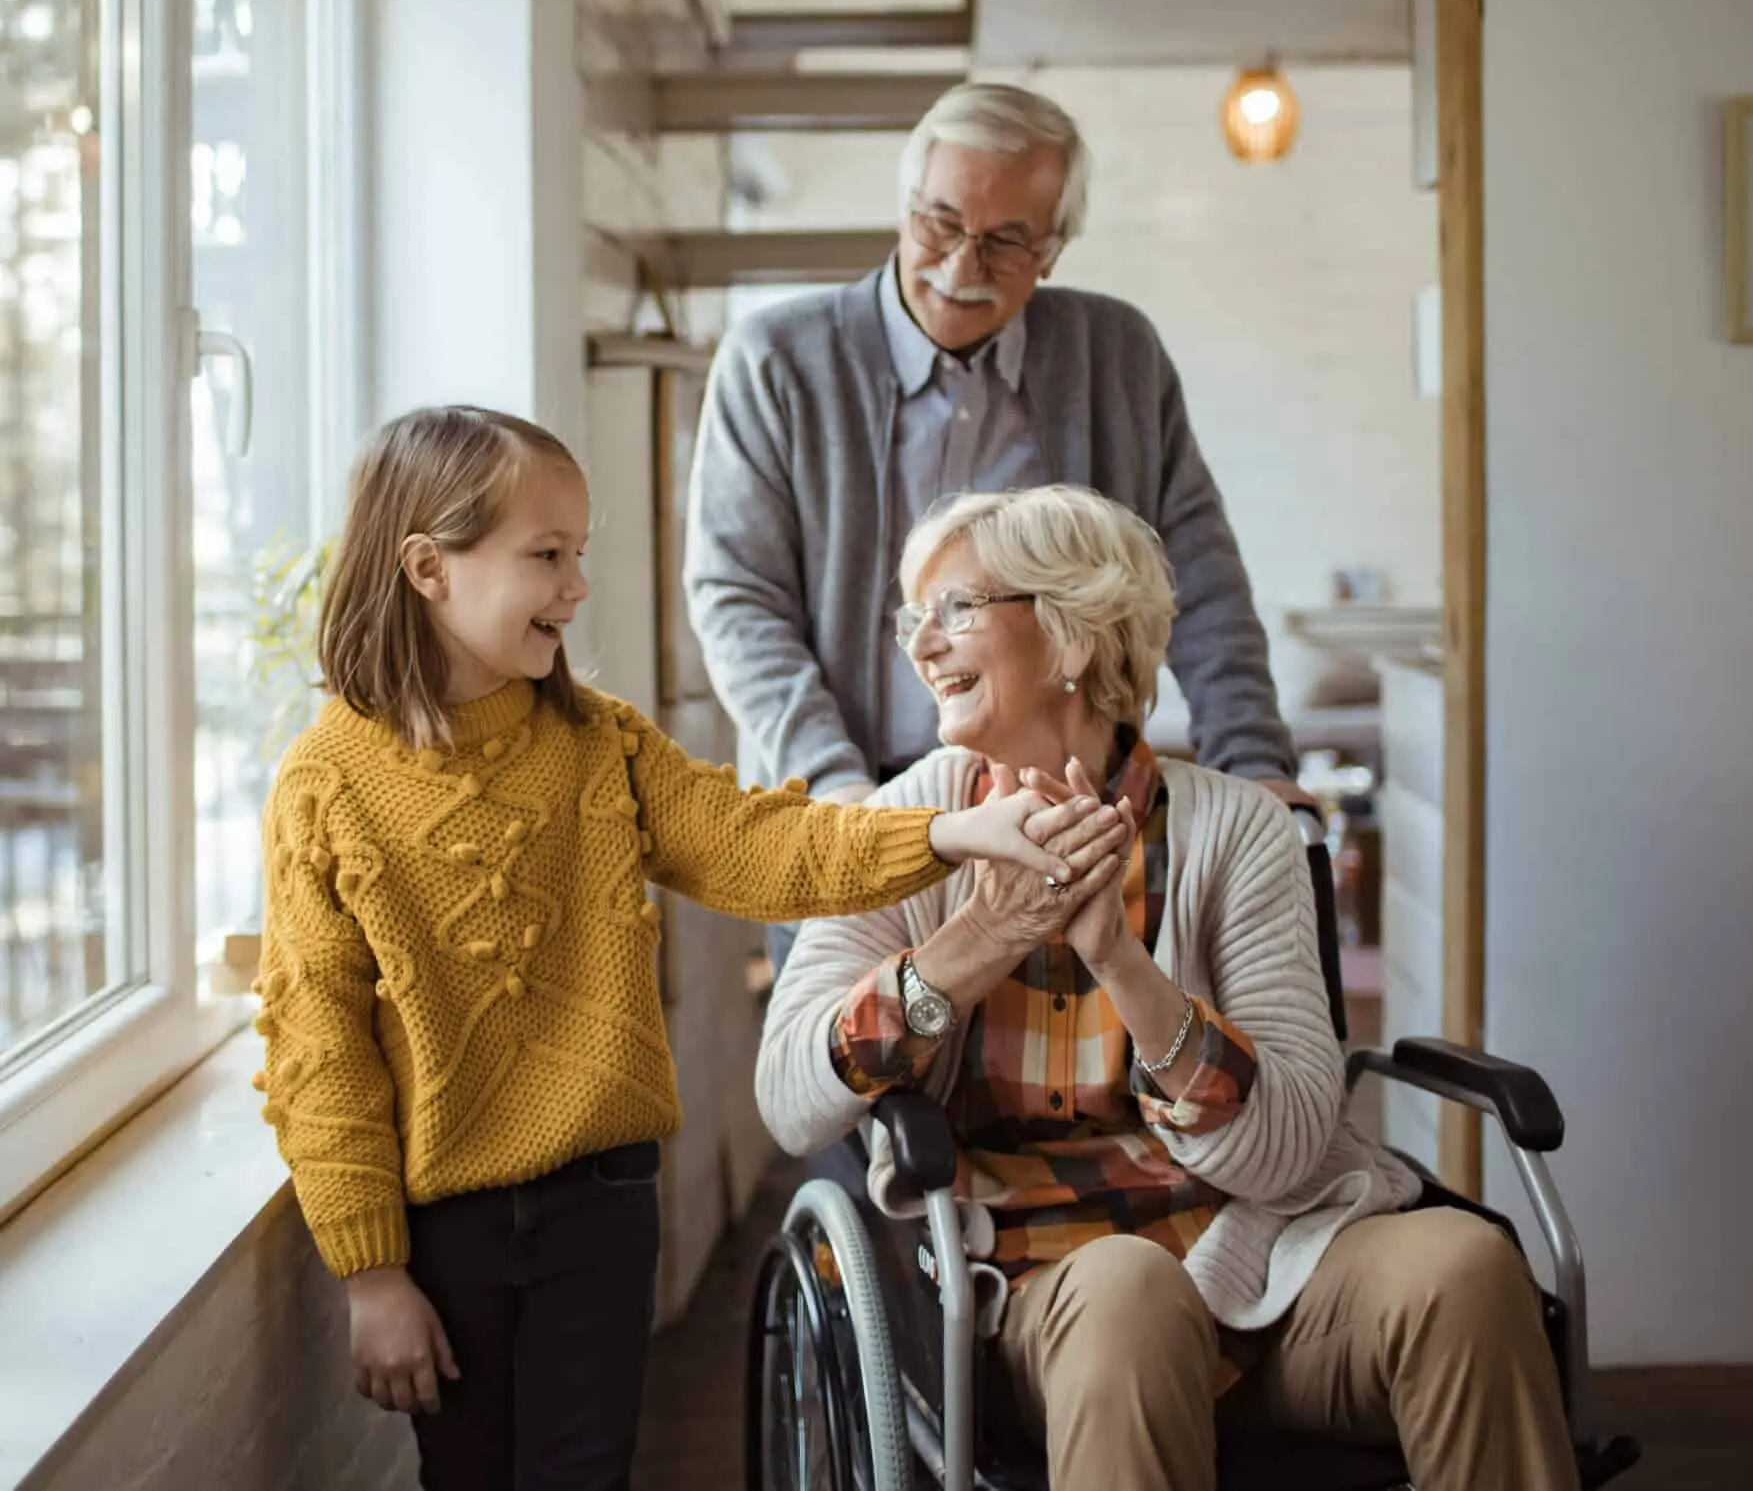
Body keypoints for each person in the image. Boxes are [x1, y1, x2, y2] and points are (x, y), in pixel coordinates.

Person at [250, 406, 1123, 1491]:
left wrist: (948, 829)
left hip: (603, 1207)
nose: (576, 586)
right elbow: (318, 1045)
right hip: (444, 1228)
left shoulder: (600, 743)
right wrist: (372, 1271)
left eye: (580, 554)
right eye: (547, 555)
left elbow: (767, 846)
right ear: (429, 566)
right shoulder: (323, 785)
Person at [756, 484, 1579, 1491]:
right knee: (1130, 1287)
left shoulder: (1240, 833)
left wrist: (1121, 961)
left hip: (1269, 1257)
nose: (921, 646)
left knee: (1466, 1267)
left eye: (956, 608)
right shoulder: (894, 832)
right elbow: (791, 1096)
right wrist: (980, 937)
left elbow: (1283, 1149)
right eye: (912, 617)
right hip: (1043, 1300)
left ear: (1070, 635)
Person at [685, 81, 1305, 969]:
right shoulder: (775, 361)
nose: (962, 265)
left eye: (1007, 240)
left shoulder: (1117, 355)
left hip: (1071, 813)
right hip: (855, 801)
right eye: (939, 223)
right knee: (863, 1076)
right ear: (905, 208)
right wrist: (835, 788)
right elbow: (737, 599)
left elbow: (1193, 572)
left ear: (1052, 249)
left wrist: (1252, 758)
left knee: (1071, 1082)